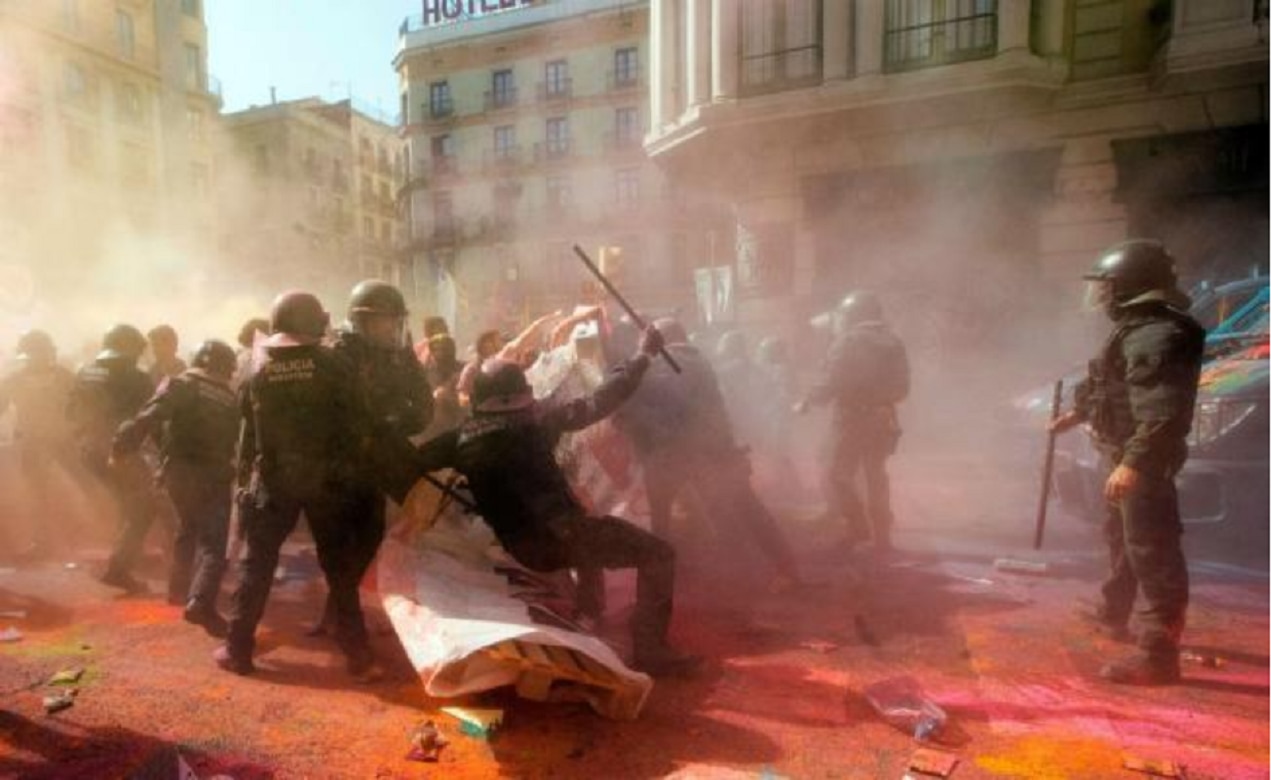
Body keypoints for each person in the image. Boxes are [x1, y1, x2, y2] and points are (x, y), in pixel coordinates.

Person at [404, 325, 700, 676]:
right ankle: (651, 649)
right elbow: (602, 400)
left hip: (520, 547)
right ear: (522, 395)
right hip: (561, 539)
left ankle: (590, 612)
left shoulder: (459, 440)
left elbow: (411, 462)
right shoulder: (537, 422)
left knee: (587, 525)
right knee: (658, 554)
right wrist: (643, 356)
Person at [217, 290, 418, 678]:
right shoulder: (333, 364)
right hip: (327, 482)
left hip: (274, 481)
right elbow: (360, 421)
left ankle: (237, 650)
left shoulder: (257, 368)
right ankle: (358, 657)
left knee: (257, 566)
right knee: (340, 571)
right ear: (316, 323)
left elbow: (247, 433)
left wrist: (244, 483)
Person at [1050, 240, 1205, 685]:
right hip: (1121, 452)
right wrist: (1078, 413)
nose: (1101, 296)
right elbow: (1113, 383)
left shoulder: (1157, 335)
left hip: (1141, 460)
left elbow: (1161, 413)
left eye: (1107, 287)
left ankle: (1158, 656)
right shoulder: (1136, 329)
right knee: (1121, 537)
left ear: (1130, 286)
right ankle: (1113, 611)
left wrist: (1133, 464)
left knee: (1152, 549)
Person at [614, 318, 801, 592]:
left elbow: (640, 397)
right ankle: (784, 568)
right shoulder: (696, 359)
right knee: (746, 507)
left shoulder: (671, 361)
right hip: (710, 449)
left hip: (680, 453)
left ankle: (660, 583)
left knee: (662, 519)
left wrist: (637, 366)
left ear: (660, 339)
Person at [310, 280, 433, 644]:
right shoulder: (338, 355)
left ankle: (336, 611)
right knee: (338, 545)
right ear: (362, 320)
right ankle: (345, 624)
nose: (391, 329)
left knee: (368, 539)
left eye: (395, 321)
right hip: (339, 466)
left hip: (375, 464)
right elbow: (330, 414)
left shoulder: (398, 357)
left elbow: (422, 411)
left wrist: (391, 420)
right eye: (384, 321)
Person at [113, 340, 239, 635]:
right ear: (227, 368)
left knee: (187, 527)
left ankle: (178, 590)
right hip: (215, 474)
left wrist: (123, 446)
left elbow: (151, 415)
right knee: (213, 543)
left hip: (178, 472)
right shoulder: (230, 397)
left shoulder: (181, 383)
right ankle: (201, 602)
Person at [795, 291, 909, 554]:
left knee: (837, 473)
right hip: (884, 419)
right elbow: (903, 388)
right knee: (876, 476)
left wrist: (807, 401)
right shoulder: (894, 342)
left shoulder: (848, 341)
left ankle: (857, 527)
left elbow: (831, 380)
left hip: (852, 419)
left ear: (853, 315)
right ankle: (883, 538)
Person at [68, 324, 156, 592]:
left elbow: (70, 412)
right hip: (120, 451)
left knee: (125, 501)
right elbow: (148, 417)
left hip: (88, 449)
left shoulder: (85, 372)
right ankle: (119, 568)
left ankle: (126, 555)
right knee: (143, 508)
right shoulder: (137, 377)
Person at [0, 330, 79, 558]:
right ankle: (42, 541)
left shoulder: (65, 378)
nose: (38, 358)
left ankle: (71, 540)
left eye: (41, 352)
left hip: (64, 443)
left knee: (71, 494)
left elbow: (83, 409)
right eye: (34, 353)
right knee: (37, 495)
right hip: (32, 445)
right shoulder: (13, 381)